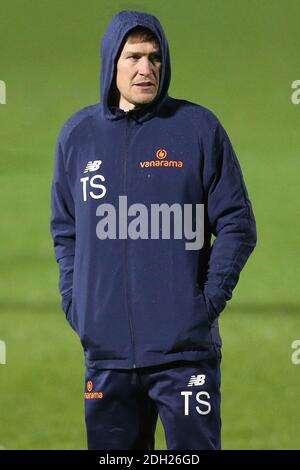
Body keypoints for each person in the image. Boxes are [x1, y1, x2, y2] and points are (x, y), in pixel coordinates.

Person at [50, 10, 257, 450]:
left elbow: (238, 222)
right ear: (112, 63)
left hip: (184, 356)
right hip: (106, 357)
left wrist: (204, 302)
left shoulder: (198, 128)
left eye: (155, 57)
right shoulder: (78, 136)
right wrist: (77, 303)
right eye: (134, 57)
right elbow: (65, 230)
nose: (146, 69)